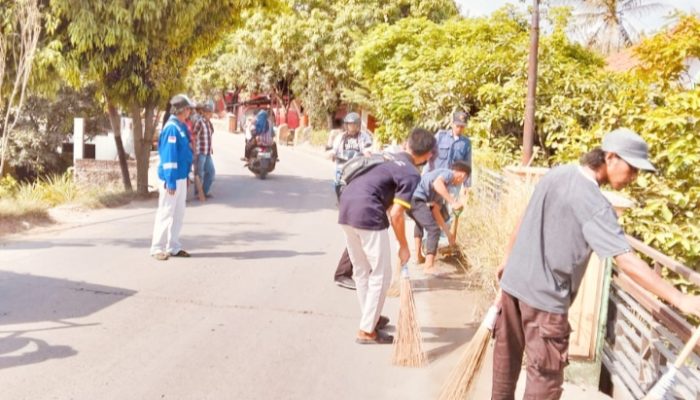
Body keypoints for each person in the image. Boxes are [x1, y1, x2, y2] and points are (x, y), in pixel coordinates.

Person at [492, 128, 700, 399]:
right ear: (610, 157)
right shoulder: (595, 205)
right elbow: (625, 260)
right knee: (544, 382)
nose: (634, 177)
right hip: (544, 304)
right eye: (632, 168)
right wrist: (680, 299)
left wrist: (508, 259)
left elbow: (524, 217)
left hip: (513, 287)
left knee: (504, 370)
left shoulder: (557, 173)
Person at [339, 127, 435, 344]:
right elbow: (397, 214)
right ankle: (366, 331)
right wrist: (403, 246)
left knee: (362, 270)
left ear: (406, 144)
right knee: (381, 275)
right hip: (368, 212)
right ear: (428, 155)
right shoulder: (411, 173)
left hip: (345, 207)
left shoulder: (386, 155)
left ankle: (369, 318)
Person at [328, 112, 374, 291]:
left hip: (358, 177)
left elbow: (369, 152)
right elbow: (331, 151)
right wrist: (333, 155)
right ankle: (348, 271)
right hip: (342, 180)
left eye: (354, 125)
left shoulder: (364, 138)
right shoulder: (340, 138)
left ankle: (361, 268)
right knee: (356, 228)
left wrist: (365, 155)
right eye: (349, 125)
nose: (351, 128)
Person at [150, 94, 195, 261]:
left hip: (181, 177)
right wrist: (170, 180)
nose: (190, 111)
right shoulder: (171, 128)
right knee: (166, 211)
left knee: (178, 213)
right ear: (182, 110)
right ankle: (157, 247)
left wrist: (187, 174)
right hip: (172, 178)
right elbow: (169, 157)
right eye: (188, 108)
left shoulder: (181, 126)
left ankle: (173, 246)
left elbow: (185, 153)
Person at [411, 161, 470, 276]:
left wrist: (449, 235)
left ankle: (419, 257)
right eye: (463, 179)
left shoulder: (443, 187)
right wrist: (453, 202)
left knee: (420, 224)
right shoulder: (448, 174)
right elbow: (438, 184)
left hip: (415, 199)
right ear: (462, 175)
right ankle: (428, 267)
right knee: (434, 230)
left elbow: (435, 211)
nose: (460, 183)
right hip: (417, 199)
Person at [193, 100, 216, 198]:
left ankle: (204, 192)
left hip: (207, 153)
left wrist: (211, 147)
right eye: (209, 112)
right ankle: (198, 193)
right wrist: (194, 152)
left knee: (211, 173)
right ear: (205, 112)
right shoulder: (199, 122)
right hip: (200, 152)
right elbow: (193, 137)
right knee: (200, 174)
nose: (211, 114)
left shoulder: (208, 123)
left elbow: (209, 135)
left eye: (211, 112)